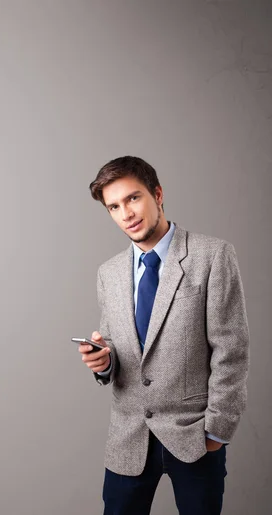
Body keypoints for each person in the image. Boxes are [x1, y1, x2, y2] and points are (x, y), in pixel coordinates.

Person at [78, 156, 249, 515]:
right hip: (128, 438)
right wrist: (103, 361)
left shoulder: (212, 256)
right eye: (114, 206)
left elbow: (231, 351)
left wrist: (216, 432)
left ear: (157, 194)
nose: (126, 213)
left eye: (133, 198)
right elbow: (117, 347)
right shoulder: (108, 273)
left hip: (195, 437)